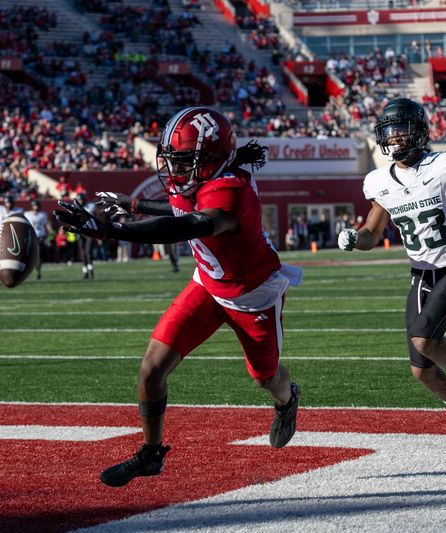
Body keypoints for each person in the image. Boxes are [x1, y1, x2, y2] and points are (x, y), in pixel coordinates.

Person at [56, 107, 302, 487]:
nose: (174, 170)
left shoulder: (230, 189)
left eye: (185, 161)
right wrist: (133, 205)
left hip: (251, 294)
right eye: (172, 160)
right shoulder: (206, 173)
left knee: (265, 378)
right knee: (151, 369)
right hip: (206, 283)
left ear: (213, 159)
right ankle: (151, 455)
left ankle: (287, 401)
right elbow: (180, 206)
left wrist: (110, 229)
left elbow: (189, 223)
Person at [337, 98, 446, 447]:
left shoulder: (442, 165)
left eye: (402, 130)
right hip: (421, 276)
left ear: (418, 131)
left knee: (423, 339)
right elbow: (372, 233)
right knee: (421, 370)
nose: (396, 139)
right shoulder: (379, 182)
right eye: (390, 132)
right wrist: (355, 238)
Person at [24, 200, 51, 280]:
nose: (36, 207)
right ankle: (31, 270)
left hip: (40, 236)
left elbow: (47, 225)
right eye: (35, 205)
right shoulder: (27, 214)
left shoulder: (43, 214)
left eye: (37, 205)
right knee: (30, 255)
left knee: (38, 254)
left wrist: (49, 235)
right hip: (30, 236)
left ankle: (38, 271)